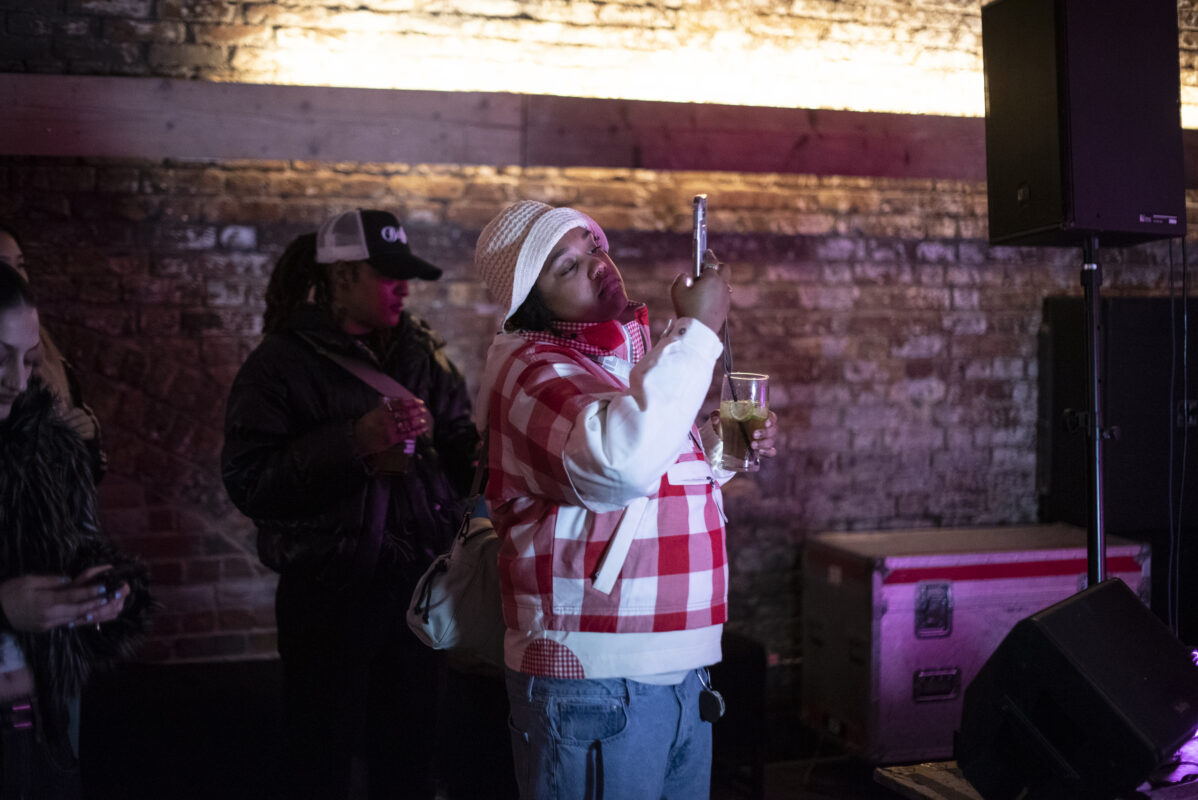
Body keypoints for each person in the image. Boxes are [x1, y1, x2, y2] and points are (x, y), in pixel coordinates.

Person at [473, 200, 778, 800]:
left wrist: (720, 447)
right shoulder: (532, 370)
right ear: (531, 304)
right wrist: (697, 332)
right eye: (567, 266)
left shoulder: (613, 363)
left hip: (674, 667)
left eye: (593, 247)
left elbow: (646, 476)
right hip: (593, 676)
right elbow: (618, 466)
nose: (597, 264)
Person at [221, 209, 482, 799]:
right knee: (322, 765)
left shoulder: (423, 352)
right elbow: (249, 482)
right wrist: (353, 441)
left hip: (418, 593)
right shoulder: (279, 364)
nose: (404, 288)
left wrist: (485, 454)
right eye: (388, 274)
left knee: (411, 763)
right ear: (341, 276)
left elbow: (458, 443)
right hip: (327, 598)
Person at [0, 261, 151, 798]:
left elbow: (87, 549)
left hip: (41, 727)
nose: (16, 380)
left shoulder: (50, 449)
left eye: (29, 360)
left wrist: (106, 594)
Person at [0, 221, 107, 482]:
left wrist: (85, 436)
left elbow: (85, 478)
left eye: (21, 265)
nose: (17, 276)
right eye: (3, 266)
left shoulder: (48, 354)